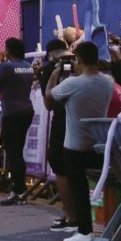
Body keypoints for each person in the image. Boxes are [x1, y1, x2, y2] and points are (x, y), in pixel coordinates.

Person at [45, 41, 114, 241]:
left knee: (80, 190)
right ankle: (101, 225)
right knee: (99, 189)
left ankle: (84, 231)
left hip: (75, 145)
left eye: (75, 59)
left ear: (80, 59)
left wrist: (55, 74)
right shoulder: (108, 81)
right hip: (99, 144)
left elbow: (49, 98)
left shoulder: (72, 84)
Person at [0, 37, 35, 206]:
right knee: (18, 151)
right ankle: (20, 190)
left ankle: (18, 191)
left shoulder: (7, 66)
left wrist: (1, 63)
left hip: (12, 113)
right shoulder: (28, 67)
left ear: (8, 51)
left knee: (13, 153)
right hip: (26, 111)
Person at [37, 39, 76, 231]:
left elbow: (49, 104)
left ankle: (71, 216)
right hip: (86, 123)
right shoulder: (82, 66)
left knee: (60, 166)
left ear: (51, 54)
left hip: (63, 123)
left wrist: (52, 75)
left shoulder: (52, 69)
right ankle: (84, 217)